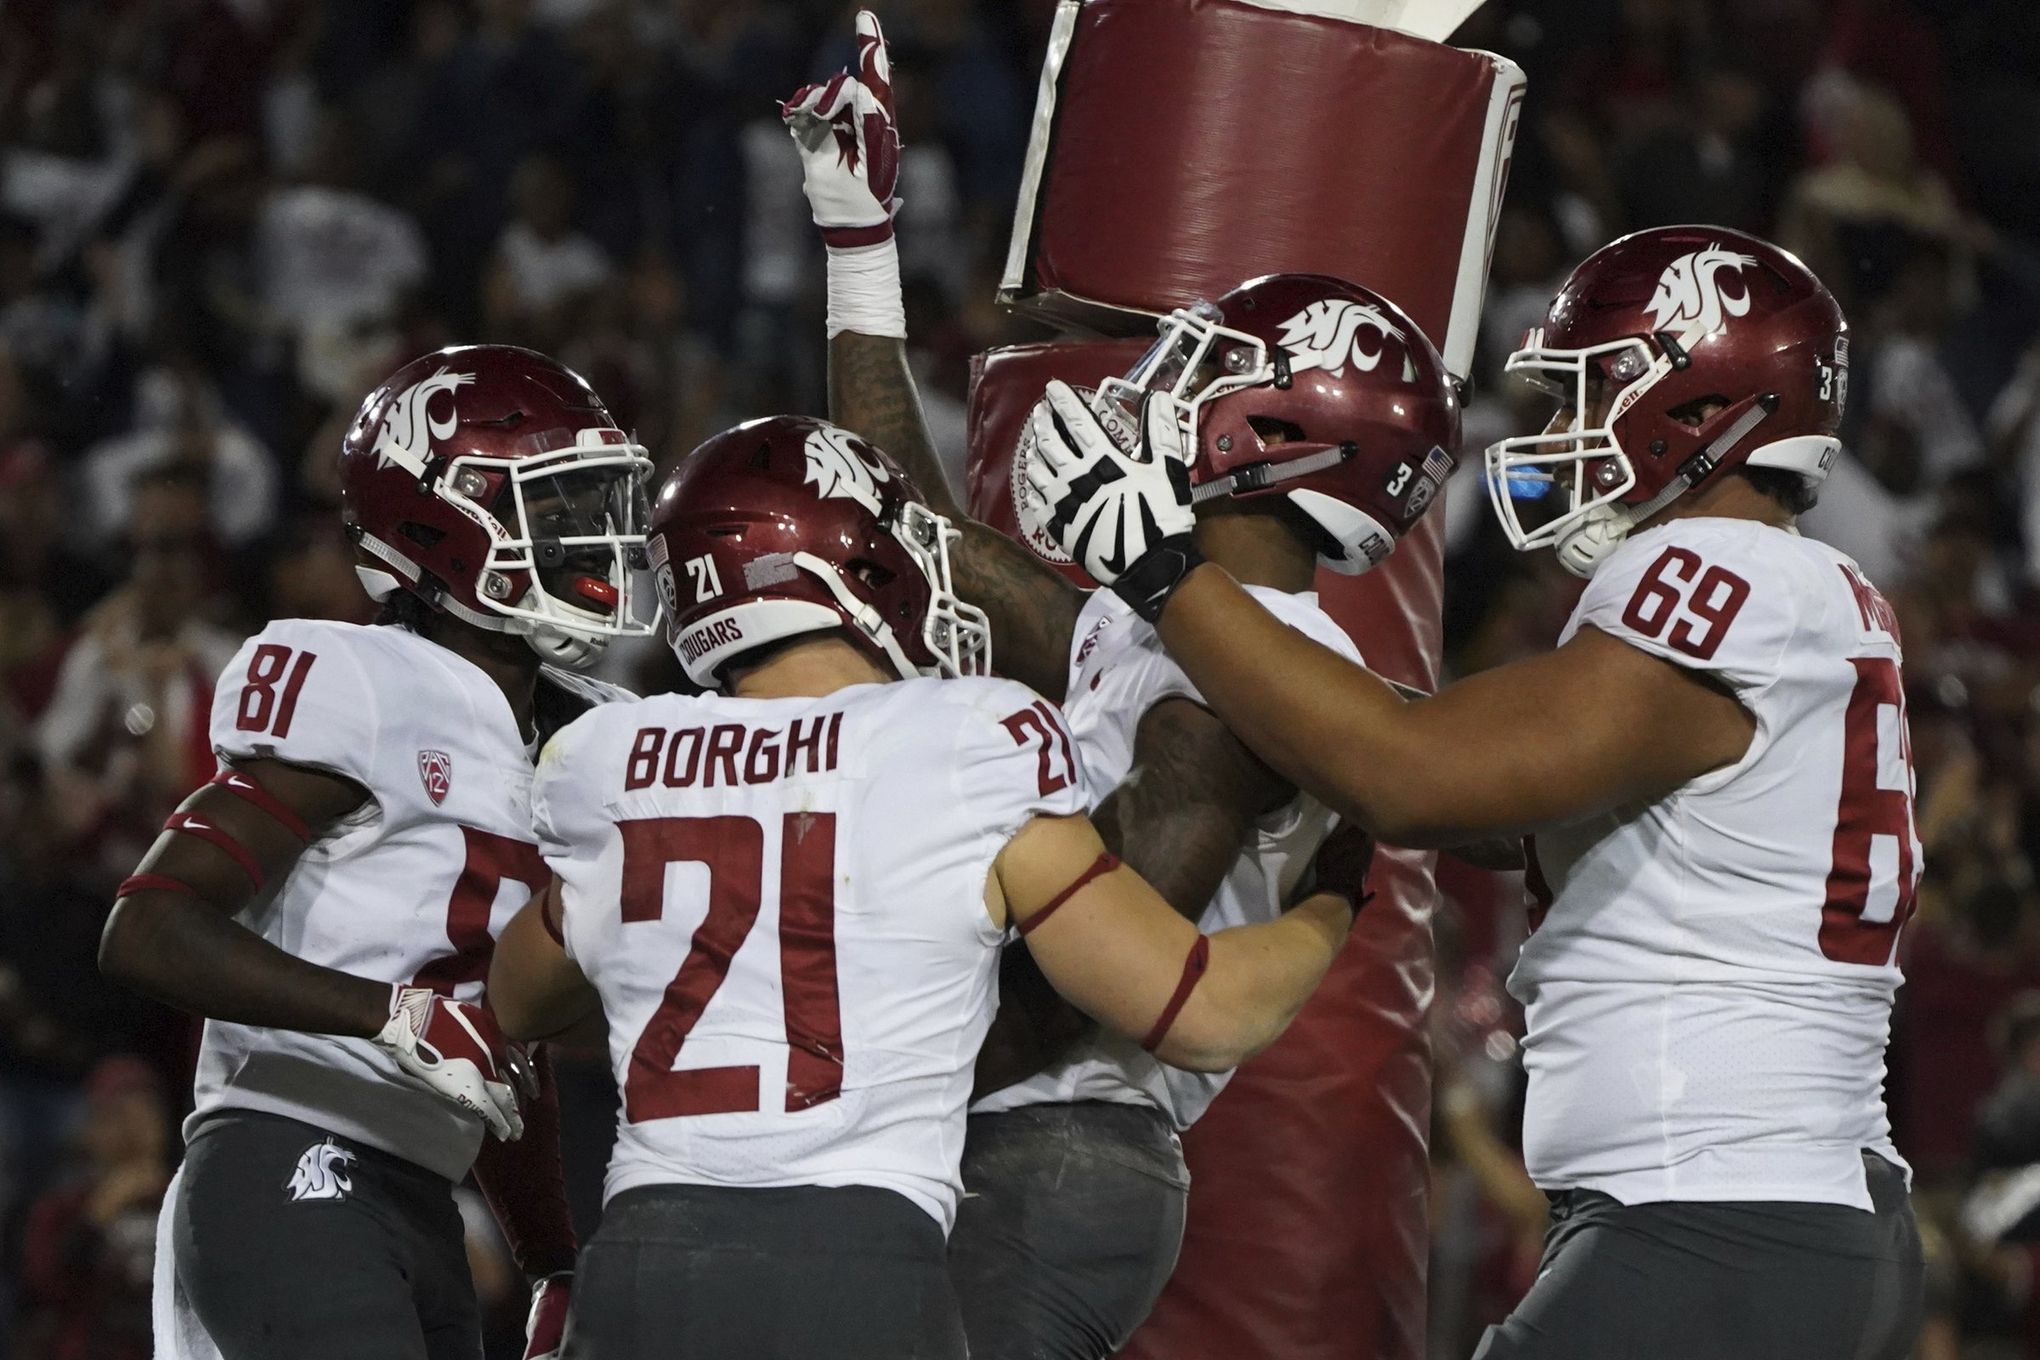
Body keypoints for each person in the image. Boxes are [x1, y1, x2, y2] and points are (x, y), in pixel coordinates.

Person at [1025, 225, 1927, 1360]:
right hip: (1794, 1214)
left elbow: (1413, 779)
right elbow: (1494, 798)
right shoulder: (1814, 589)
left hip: (1715, 1218)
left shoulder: (1714, 571)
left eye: (1587, 393)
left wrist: (1161, 573)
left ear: (1697, 410)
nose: (1557, 435)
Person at [777, 17, 1462, 1355]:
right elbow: (906, 530)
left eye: (1210, 375)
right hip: (1020, 1134)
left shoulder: (1253, 692)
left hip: (1048, 1136)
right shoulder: (1180, 636)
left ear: (1280, 437)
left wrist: (846, 1101)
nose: (1159, 386)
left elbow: (1100, 977)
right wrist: (861, 248)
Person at [484, 414, 1364, 1360]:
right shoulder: (962, 740)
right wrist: (1332, 903)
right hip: (854, 1260)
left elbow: (516, 998)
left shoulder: (615, 757)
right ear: (857, 569)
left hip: (643, 1259)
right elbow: (1202, 1011)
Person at [97, 344, 658, 1360]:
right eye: (557, 503)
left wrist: (548, 1257)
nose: (594, 535)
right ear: (441, 523)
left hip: (420, 1196)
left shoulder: (578, 739)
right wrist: (387, 1014)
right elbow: (147, 925)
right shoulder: (364, 682)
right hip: (284, 1155)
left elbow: (498, 1043)